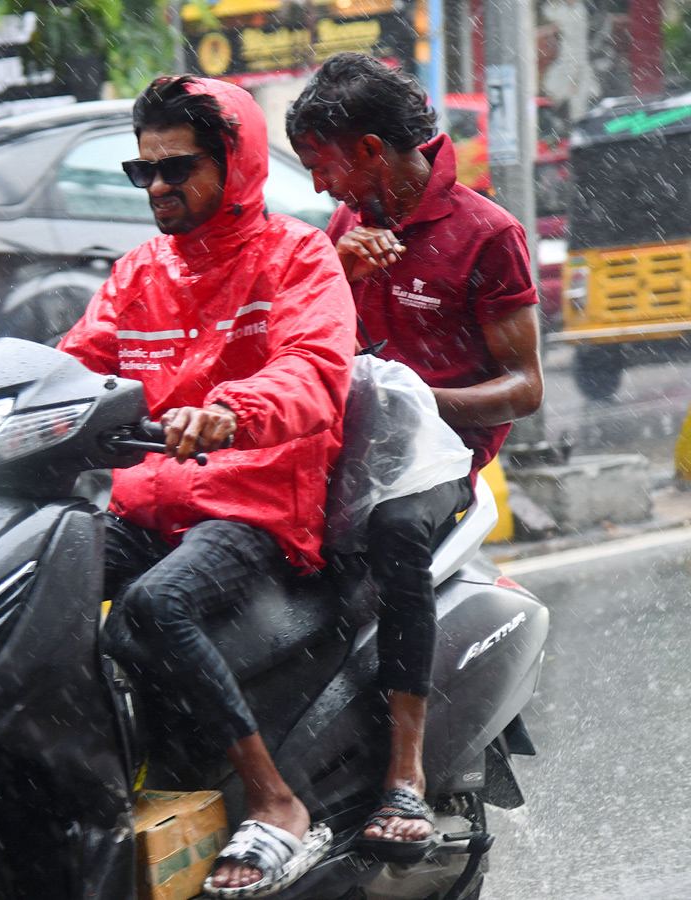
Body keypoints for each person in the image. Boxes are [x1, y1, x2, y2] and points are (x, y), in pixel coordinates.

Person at [57, 75, 356, 897]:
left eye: (177, 167)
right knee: (36, 581)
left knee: (156, 607)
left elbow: (316, 372)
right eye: (141, 171)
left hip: (252, 502)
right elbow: (68, 370)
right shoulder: (137, 273)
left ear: (237, 162)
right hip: (150, 500)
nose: (156, 186)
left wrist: (232, 411)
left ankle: (276, 802)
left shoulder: (298, 256)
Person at [285, 52, 544, 861]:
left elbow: (525, 386)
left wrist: (420, 407)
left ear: (367, 150)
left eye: (323, 166)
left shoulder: (486, 233)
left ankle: (404, 772)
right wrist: (333, 269)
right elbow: (312, 343)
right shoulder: (345, 232)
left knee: (397, 534)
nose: (323, 189)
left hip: (436, 467)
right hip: (346, 452)